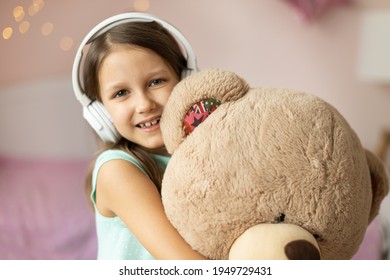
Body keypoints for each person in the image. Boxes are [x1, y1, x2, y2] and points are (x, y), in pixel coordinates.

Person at [76, 14, 206, 260]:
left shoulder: (202, 154)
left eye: (156, 82)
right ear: (100, 112)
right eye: (121, 93)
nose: (144, 105)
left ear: (185, 80)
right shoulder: (116, 170)